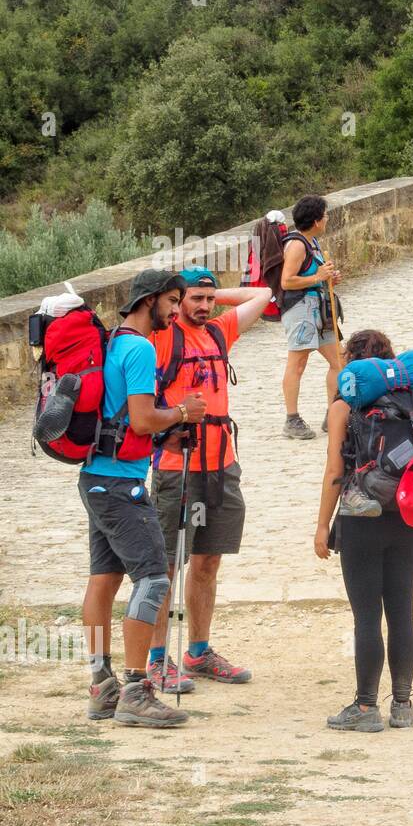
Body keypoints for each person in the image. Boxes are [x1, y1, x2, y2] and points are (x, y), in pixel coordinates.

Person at [80, 269, 208, 727]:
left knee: (104, 579)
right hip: (123, 488)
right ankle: (136, 689)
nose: (176, 311)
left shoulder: (113, 341)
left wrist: (165, 436)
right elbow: (138, 418)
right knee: (154, 578)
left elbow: (124, 423)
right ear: (150, 299)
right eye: (173, 301)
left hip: (97, 477)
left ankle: (102, 687)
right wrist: (182, 412)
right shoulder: (138, 347)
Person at [145, 268, 272, 694]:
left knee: (208, 561)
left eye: (207, 299)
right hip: (173, 465)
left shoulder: (220, 331)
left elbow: (265, 293)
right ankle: (157, 660)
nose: (202, 306)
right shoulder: (164, 336)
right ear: (177, 301)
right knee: (164, 565)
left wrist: (217, 295)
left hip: (221, 465)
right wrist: (181, 297)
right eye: (193, 299)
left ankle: (197, 652)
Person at [316, 330, 413, 732]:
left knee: (366, 617)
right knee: (401, 612)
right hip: (408, 517)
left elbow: (333, 473)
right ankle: (402, 705)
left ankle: (365, 709)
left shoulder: (343, 408)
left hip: (360, 520)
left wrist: (321, 526)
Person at [279, 195, 342, 439]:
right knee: (297, 363)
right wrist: (318, 278)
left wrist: (328, 277)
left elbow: (312, 274)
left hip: (319, 309)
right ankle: (292, 420)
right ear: (316, 220)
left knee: (339, 359)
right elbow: (287, 281)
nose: (327, 219)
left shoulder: (311, 241)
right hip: (300, 310)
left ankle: (334, 413)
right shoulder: (297, 245)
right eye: (325, 216)